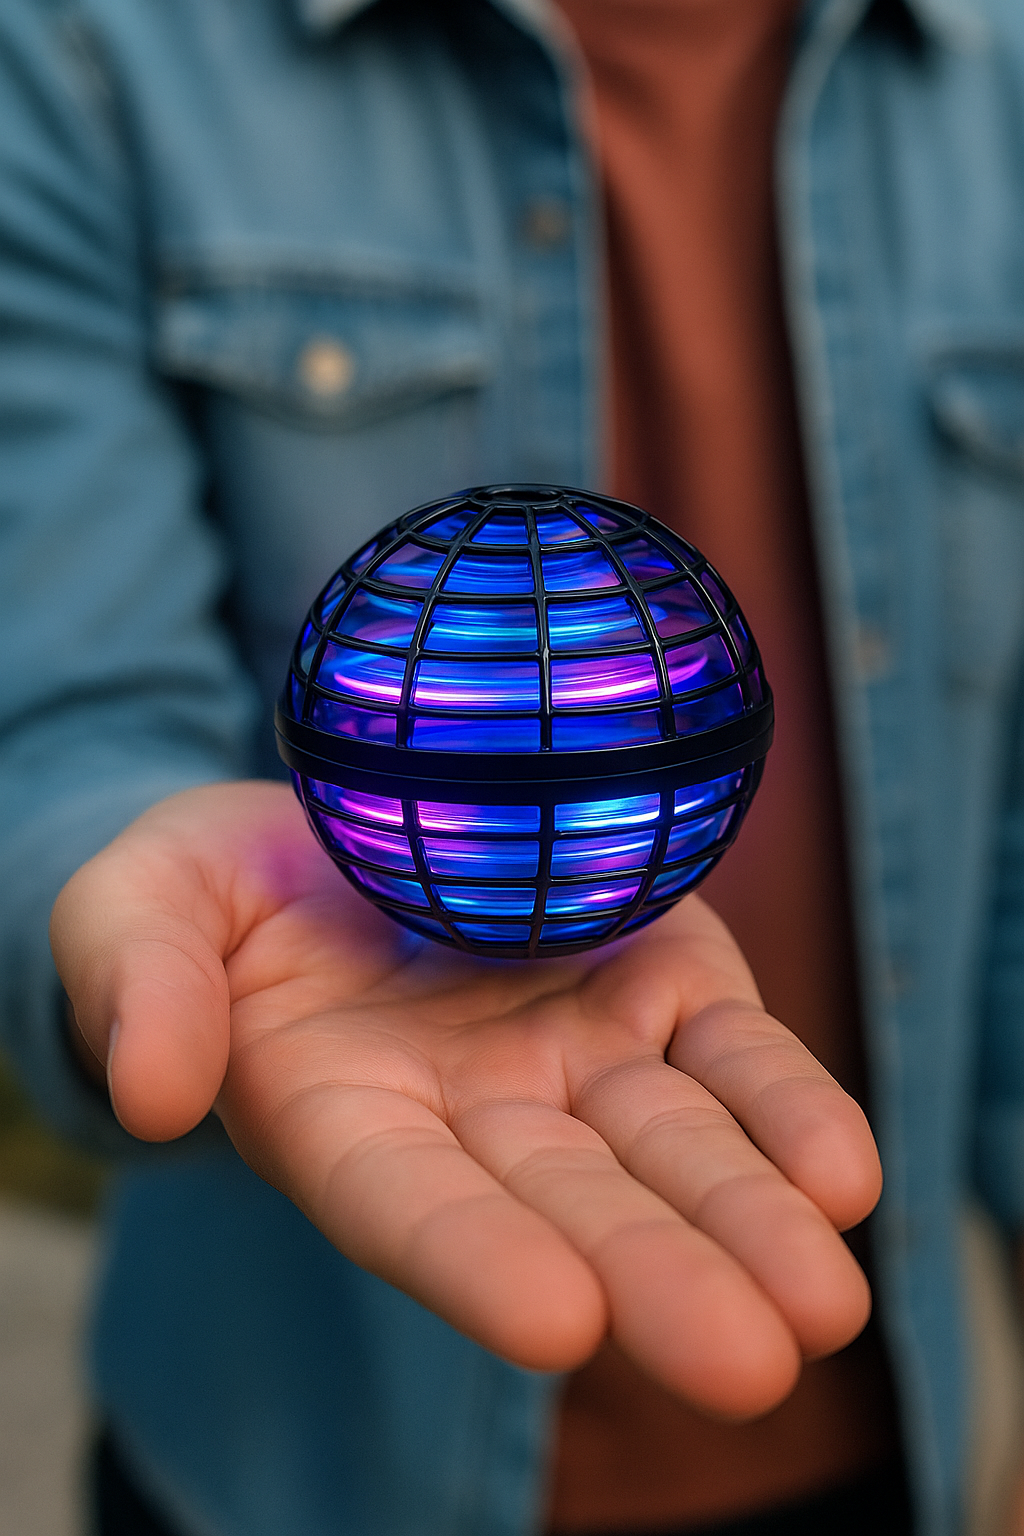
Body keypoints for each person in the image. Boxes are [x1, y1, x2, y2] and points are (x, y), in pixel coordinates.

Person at [1, 0, 1022, 1533]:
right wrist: (144, 911)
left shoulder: (1002, 84)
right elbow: (69, 712)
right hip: (292, 1470)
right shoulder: (89, 48)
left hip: (873, 1442)